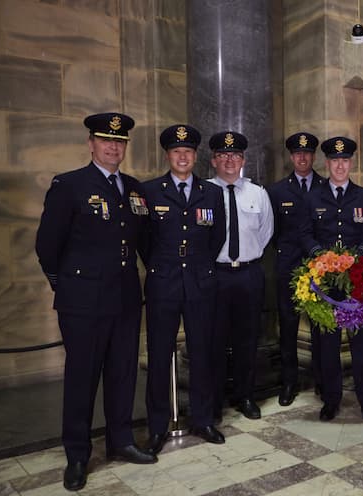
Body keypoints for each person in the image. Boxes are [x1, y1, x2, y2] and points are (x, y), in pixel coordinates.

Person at [36, 112, 156, 491]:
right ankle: (77, 453)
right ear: (91, 143)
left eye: (119, 142)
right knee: (82, 378)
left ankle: (121, 440)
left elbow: (144, 244)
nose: (113, 146)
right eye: (106, 140)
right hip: (83, 302)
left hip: (123, 299)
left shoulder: (135, 189)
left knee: (122, 373)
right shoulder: (69, 185)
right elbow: (47, 246)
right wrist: (68, 287)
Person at [142, 124, 226, 454]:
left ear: (195, 156)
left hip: (200, 282)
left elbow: (217, 237)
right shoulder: (149, 191)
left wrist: (198, 263)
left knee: (202, 353)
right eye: (177, 151)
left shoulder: (212, 192)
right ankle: (157, 427)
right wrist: (162, 265)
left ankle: (203, 419)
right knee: (160, 356)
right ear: (168, 155)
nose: (182, 156)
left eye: (188, 152)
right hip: (163, 282)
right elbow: (143, 241)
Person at [299, 136, 363, 422]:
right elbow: (305, 234)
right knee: (329, 345)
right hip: (327, 284)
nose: (340, 166)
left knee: (360, 344)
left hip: (356, 281)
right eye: (335, 161)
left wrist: (358, 257)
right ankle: (331, 400)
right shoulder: (312, 197)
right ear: (327, 163)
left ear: (351, 163)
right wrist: (321, 257)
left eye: (345, 160)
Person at [208, 131, 274, 420]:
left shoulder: (257, 193)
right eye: (223, 155)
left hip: (248, 274)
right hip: (216, 276)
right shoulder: (204, 192)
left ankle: (245, 396)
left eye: (235, 155)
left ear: (244, 159)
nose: (229, 160)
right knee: (215, 339)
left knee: (248, 338)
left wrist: (245, 256)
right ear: (213, 161)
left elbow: (265, 232)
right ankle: (214, 401)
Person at [267, 132, 326, 406]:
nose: (302, 157)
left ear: (313, 156)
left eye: (307, 153)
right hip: (288, 268)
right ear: (291, 157)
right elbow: (273, 232)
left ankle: (322, 380)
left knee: (321, 326)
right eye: (297, 153)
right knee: (288, 327)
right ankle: (289, 382)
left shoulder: (326, 188)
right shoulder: (277, 191)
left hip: (319, 269)